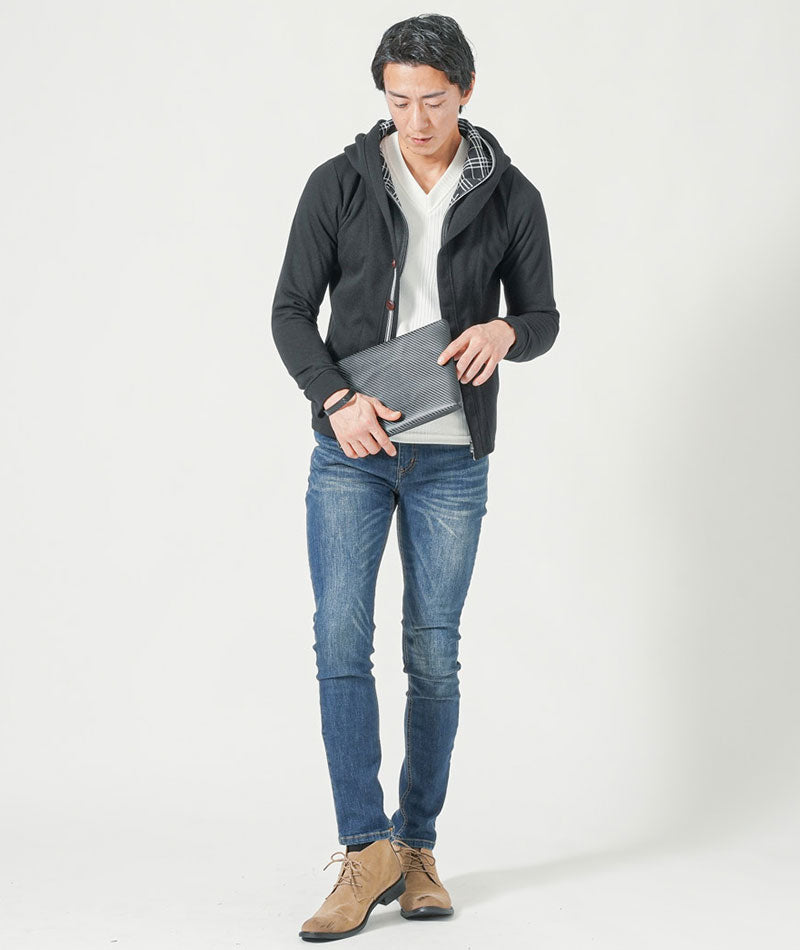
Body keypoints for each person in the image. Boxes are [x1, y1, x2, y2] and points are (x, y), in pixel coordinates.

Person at [271, 13, 559, 942]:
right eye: (399, 101)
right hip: (353, 450)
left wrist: (507, 331)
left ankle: (418, 845)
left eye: (433, 100)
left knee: (434, 652)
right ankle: (366, 849)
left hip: (451, 458)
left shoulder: (512, 193)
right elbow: (288, 311)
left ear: (465, 91)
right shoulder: (340, 182)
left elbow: (544, 315)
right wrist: (335, 400)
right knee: (339, 640)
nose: (416, 120)